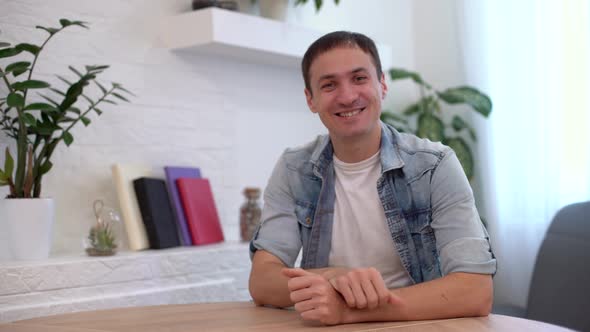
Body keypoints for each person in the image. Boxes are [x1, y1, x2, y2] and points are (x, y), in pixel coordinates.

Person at [248, 31, 497, 326]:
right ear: (310, 99)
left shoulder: (435, 166)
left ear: (382, 85)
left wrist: (349, 311)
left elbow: (475, 290)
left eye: (359, 79)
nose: (347, 96)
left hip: (419, 324)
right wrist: (332, 277)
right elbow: (262, 282)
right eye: (329, 85)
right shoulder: (294, 169)